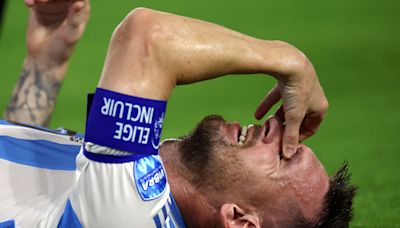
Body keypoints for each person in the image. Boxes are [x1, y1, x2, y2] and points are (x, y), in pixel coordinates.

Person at [0, 0, 357, 227]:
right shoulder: (117, 196)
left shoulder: (135, 215)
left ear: (240, 221)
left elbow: (146, 38)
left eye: (283, 155)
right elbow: (33, 196)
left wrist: (289, 60)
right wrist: (46, 62)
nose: (276, 126)